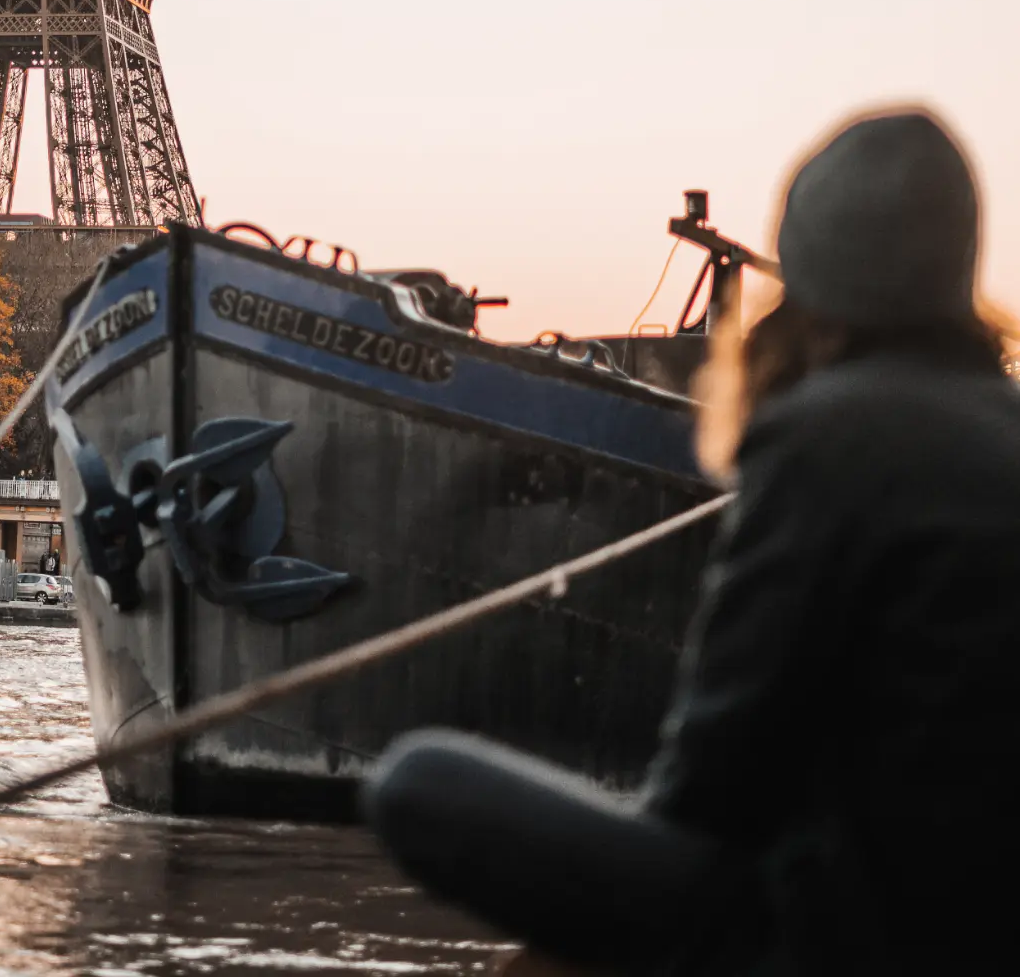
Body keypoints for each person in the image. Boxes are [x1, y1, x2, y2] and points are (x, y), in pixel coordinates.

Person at [367, 108, 1020, 974]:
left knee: (417, 782)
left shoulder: (824, 432)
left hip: (852, 936)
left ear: (814, 274)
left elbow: (712, 791)